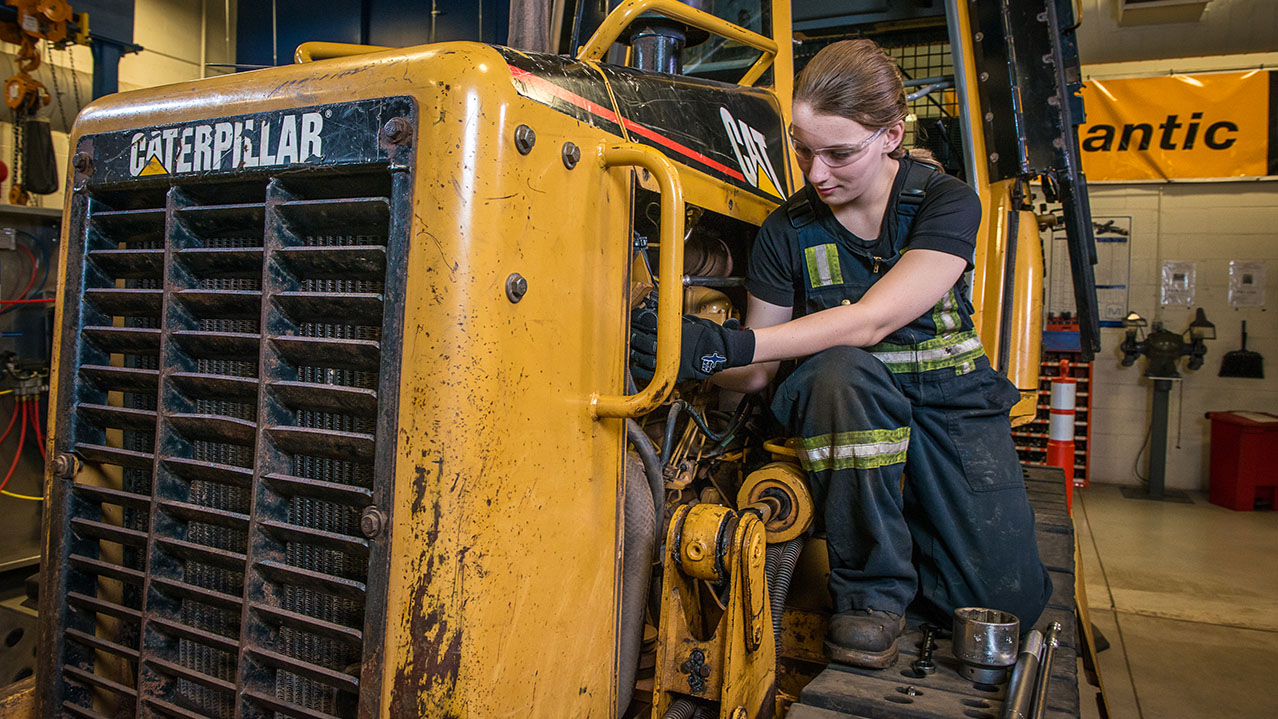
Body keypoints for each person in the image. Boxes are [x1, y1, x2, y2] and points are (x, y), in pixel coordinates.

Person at [631, 39, 1052, 669]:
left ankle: (926, 554)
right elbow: (757, 373)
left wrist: (732, 344)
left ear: (890, 135)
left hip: (951, 408)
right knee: (837, 376)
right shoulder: (787, 231)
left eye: (839, 153)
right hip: (847, 410)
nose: (816, 172)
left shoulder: (945, 202)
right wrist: (688, 354)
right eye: (802, 148)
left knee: (1004, 601)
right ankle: (871, 595)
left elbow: (875, 318)